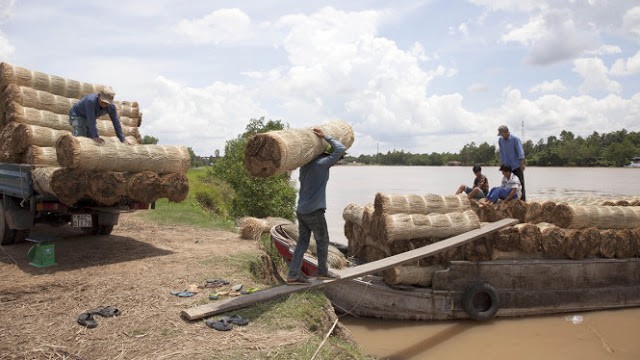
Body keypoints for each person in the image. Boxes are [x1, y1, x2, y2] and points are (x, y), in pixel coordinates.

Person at [286, 128, 346, 285]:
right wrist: (326, 137)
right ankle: (323, 272)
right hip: (314, 211)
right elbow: (340, 149)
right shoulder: (321, 165)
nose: (336, 162)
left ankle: (293, 274)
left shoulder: (304, 167)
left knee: (302, 243)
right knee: (323, 240)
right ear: (323, 155)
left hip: (301, 210)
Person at [497, 125, 525, 200]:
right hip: (506, 168)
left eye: (502, 134)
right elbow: (501, 153)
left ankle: (522, 202)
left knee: (519, 185)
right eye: (500, 134)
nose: (501, 136)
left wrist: (521, 165)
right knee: (507, 186)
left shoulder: (515, 140)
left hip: (516, 166)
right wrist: (501, 165)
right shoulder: (500, 140)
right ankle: (509, 202)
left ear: (506, 132)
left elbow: (520, 153)